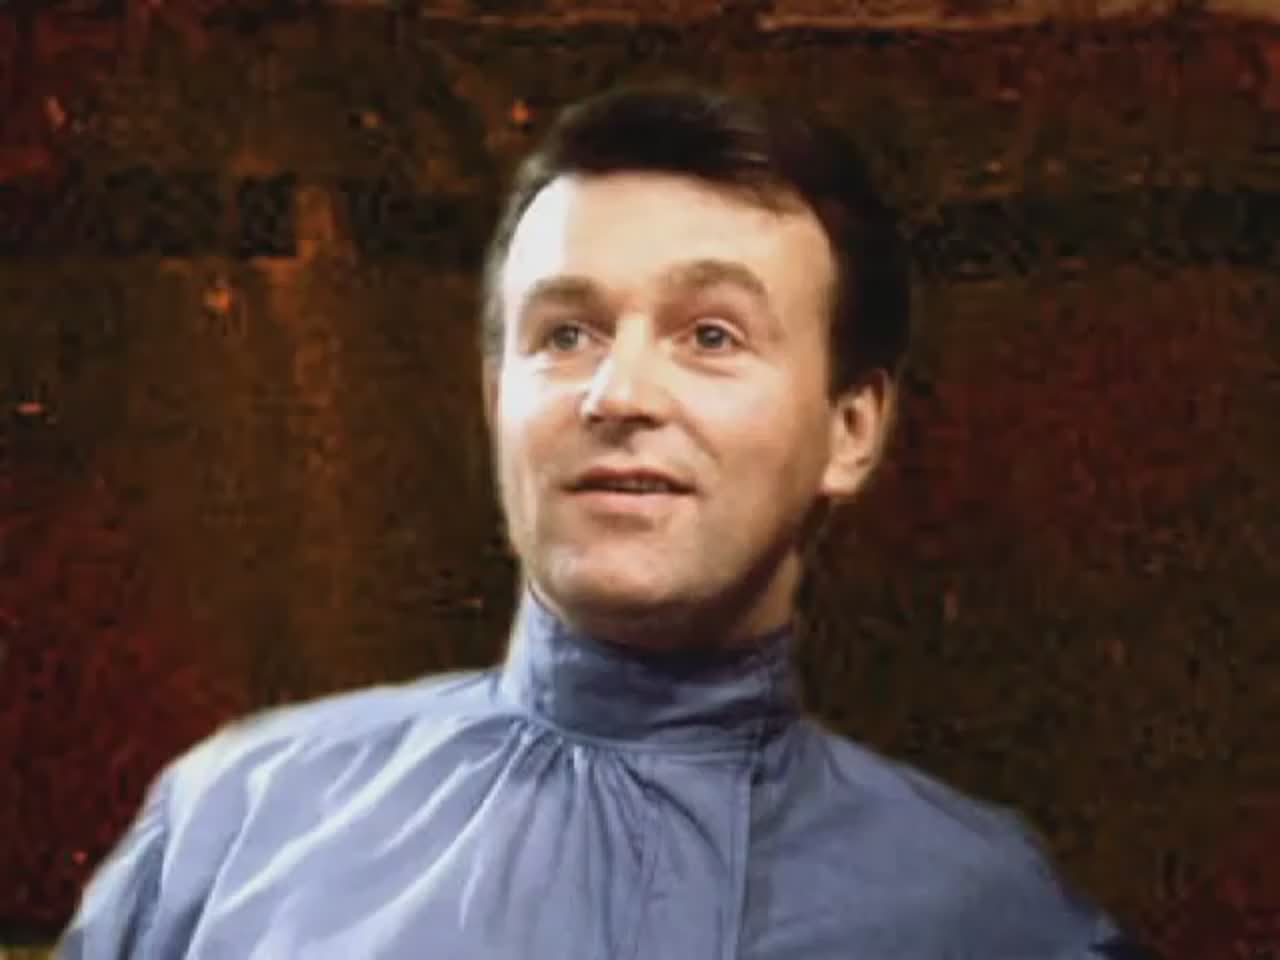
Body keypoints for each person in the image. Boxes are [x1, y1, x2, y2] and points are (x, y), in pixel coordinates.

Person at [59, 82, 1157, 959]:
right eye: (565, 334)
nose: (617, 393)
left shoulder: (989, 919)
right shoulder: (238, 829)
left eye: (711, 335)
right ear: (495, 399)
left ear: (849, 429)